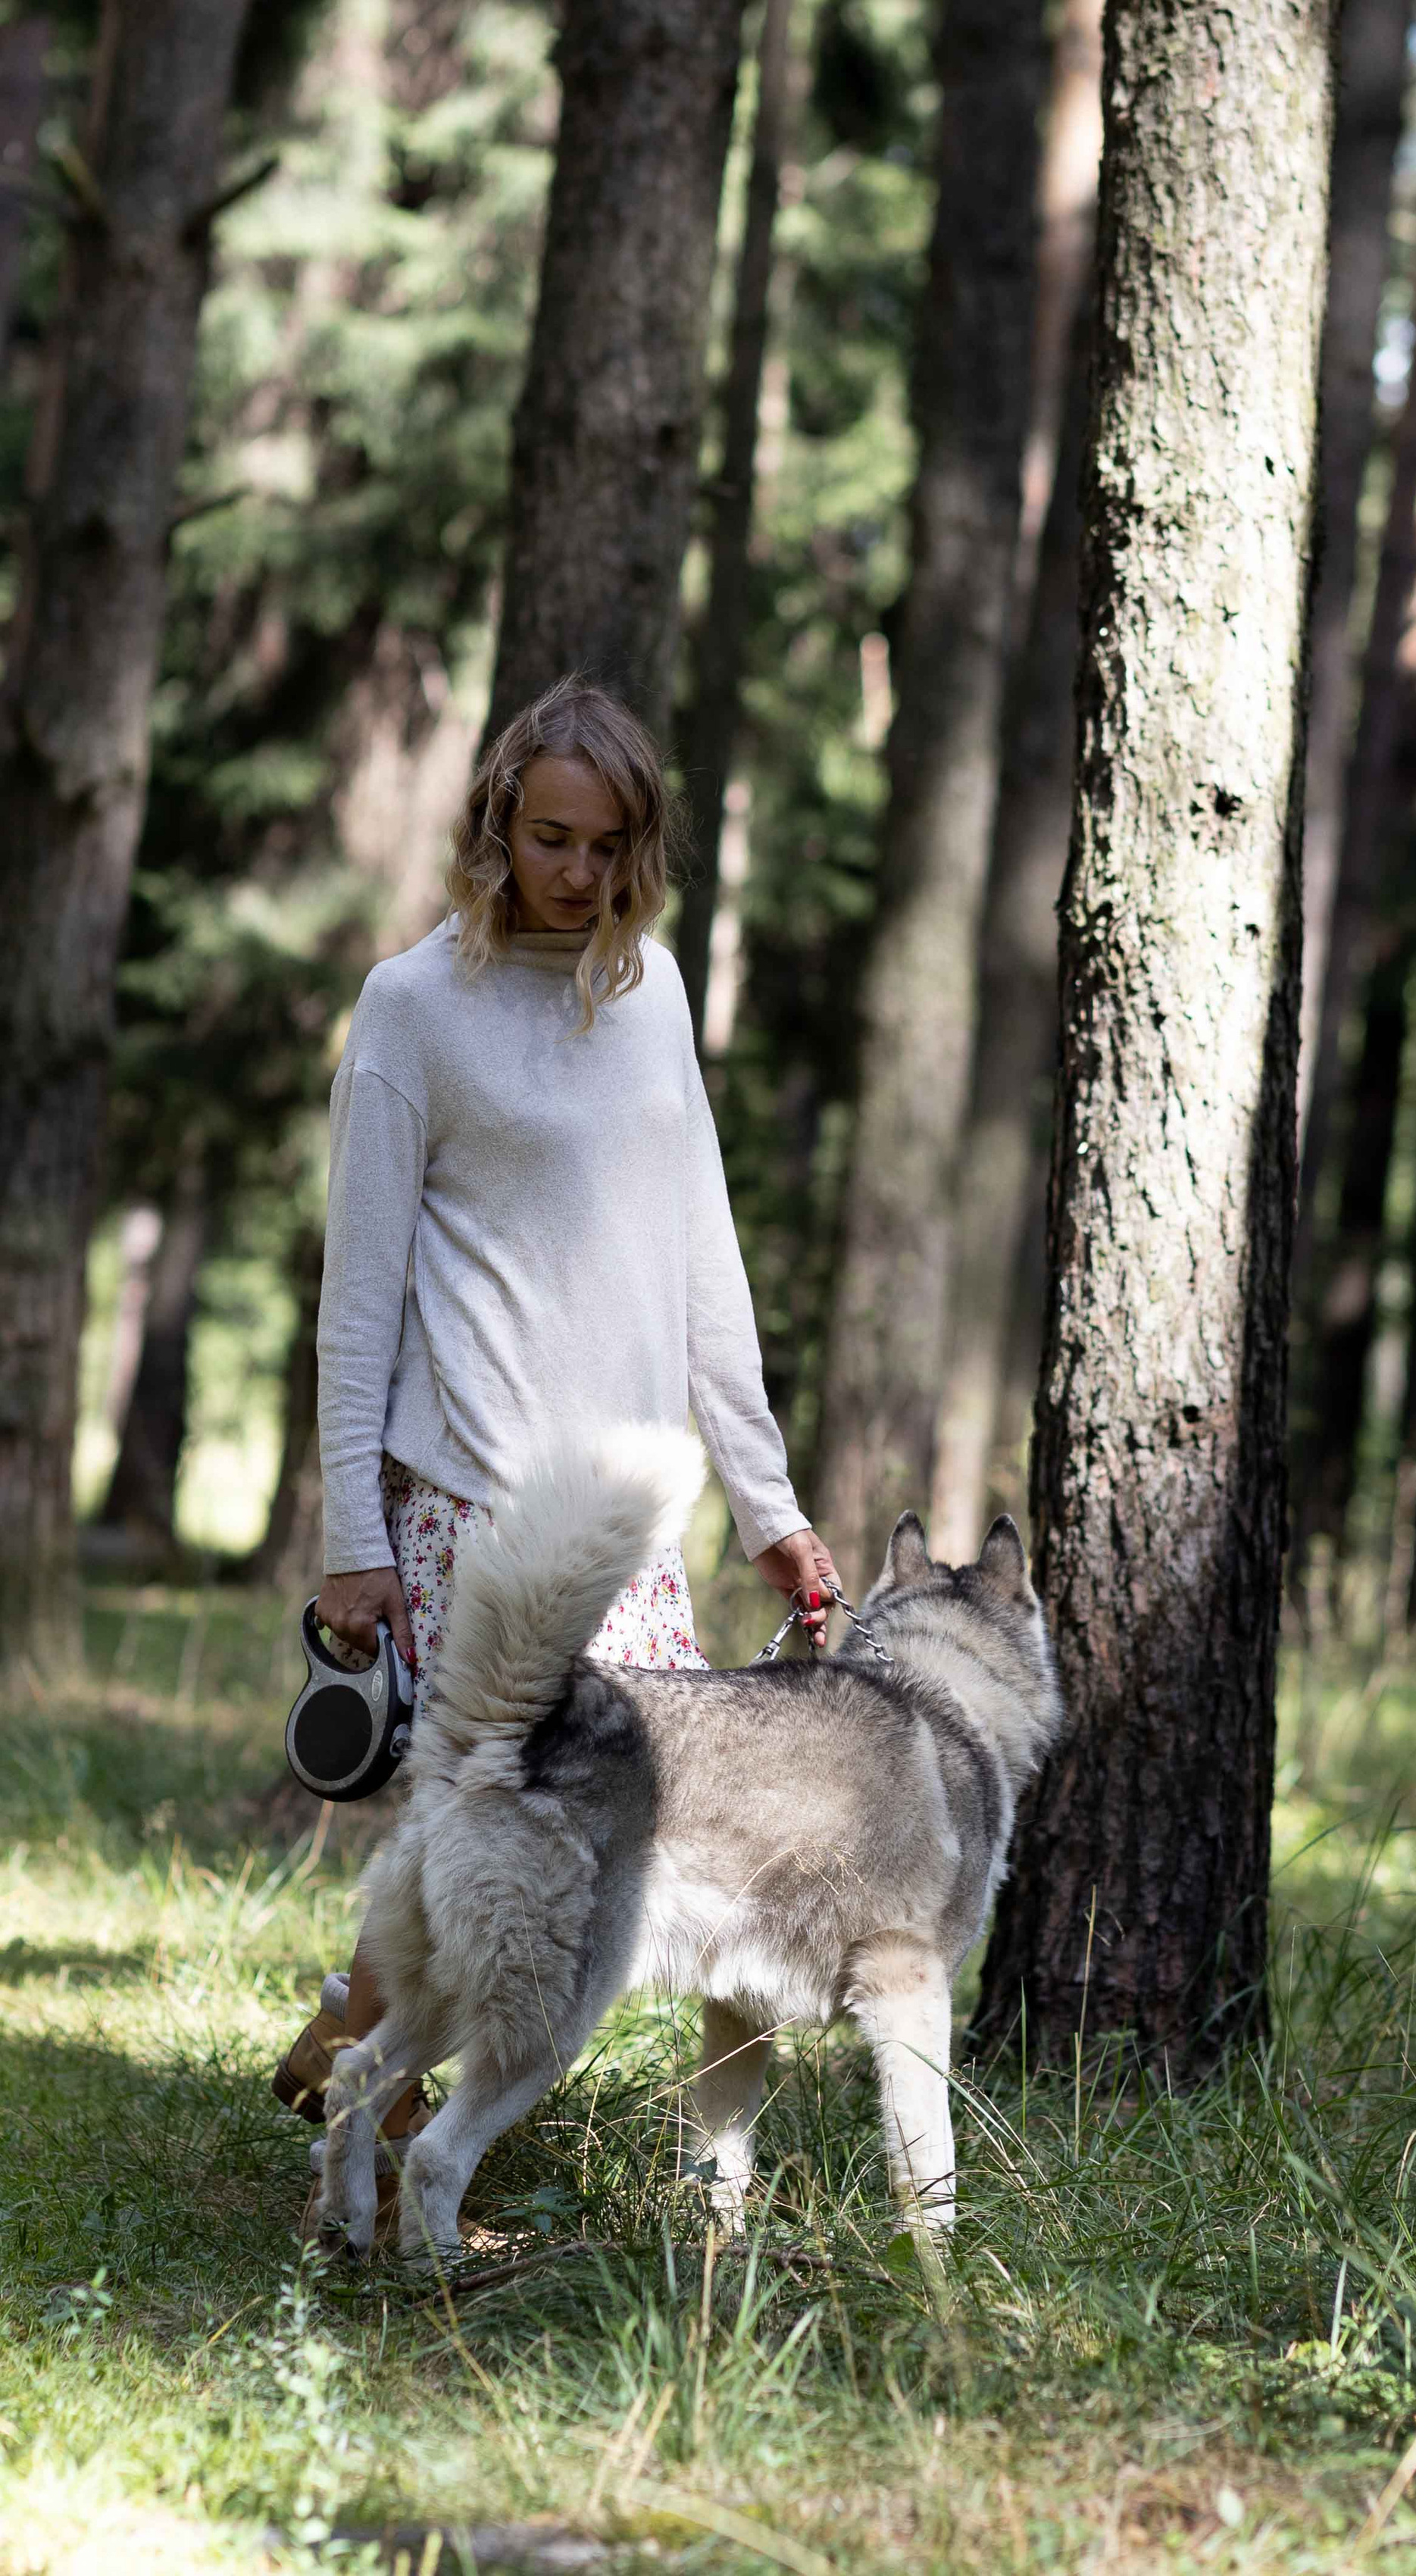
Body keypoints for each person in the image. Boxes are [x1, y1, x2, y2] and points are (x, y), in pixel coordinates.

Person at [273, 675, 839, 2220]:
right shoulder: (412, 1007)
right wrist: (355, 1538)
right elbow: (358, 1300)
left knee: (635, 1854)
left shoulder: (647, 992)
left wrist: (766, 1504)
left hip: (632, 1528)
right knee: (509, 1848)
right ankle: (371, 2157)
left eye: (603, 845)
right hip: (469, 1504)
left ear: (639, 846)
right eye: (546, 838)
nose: (573, 873)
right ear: (497, 822)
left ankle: (360, 2029)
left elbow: (705, 1269)